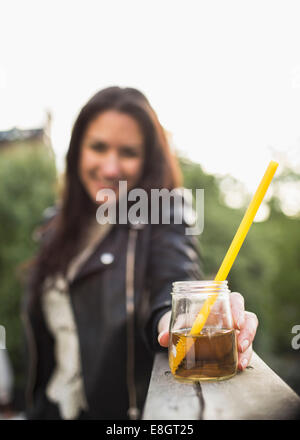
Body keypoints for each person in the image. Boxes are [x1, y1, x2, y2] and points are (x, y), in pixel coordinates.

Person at [21, 86, 258, 420]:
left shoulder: (164, 211)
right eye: (98, 147)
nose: (111, 167)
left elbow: (173, 282)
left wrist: (185, 318)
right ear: (76, 151)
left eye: (128, 152)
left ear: (148, 159)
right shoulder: (54, 226)